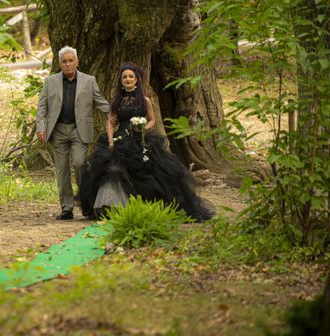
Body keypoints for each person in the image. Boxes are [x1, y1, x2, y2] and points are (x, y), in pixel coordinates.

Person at [78, 62, 214, 222]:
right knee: (112, 170)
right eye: (124, 77)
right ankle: (110, 204)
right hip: (120, 139)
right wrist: (110, 139)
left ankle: (141, 207)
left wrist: (142, 128)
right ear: (121, 81)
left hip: (139, 140)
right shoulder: (117, 101)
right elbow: (111, 121)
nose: (127, 79)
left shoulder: (145, 100)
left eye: (131, 77)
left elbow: (152, 120)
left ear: (137, 80)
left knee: (147, 172)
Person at [36, 46, 110, 220]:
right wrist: (41, 127)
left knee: (79, 163)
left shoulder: (89, 81)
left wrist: (117, 113)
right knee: (61, 170)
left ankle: (86, 203)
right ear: (60, 64)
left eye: (71, 61)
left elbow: (100, 102)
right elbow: (42, 107)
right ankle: (67, 208)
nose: (68, 64)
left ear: (77, 62)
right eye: (64, 61)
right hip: (58, 130)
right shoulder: (50, 82)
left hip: (79, 130)